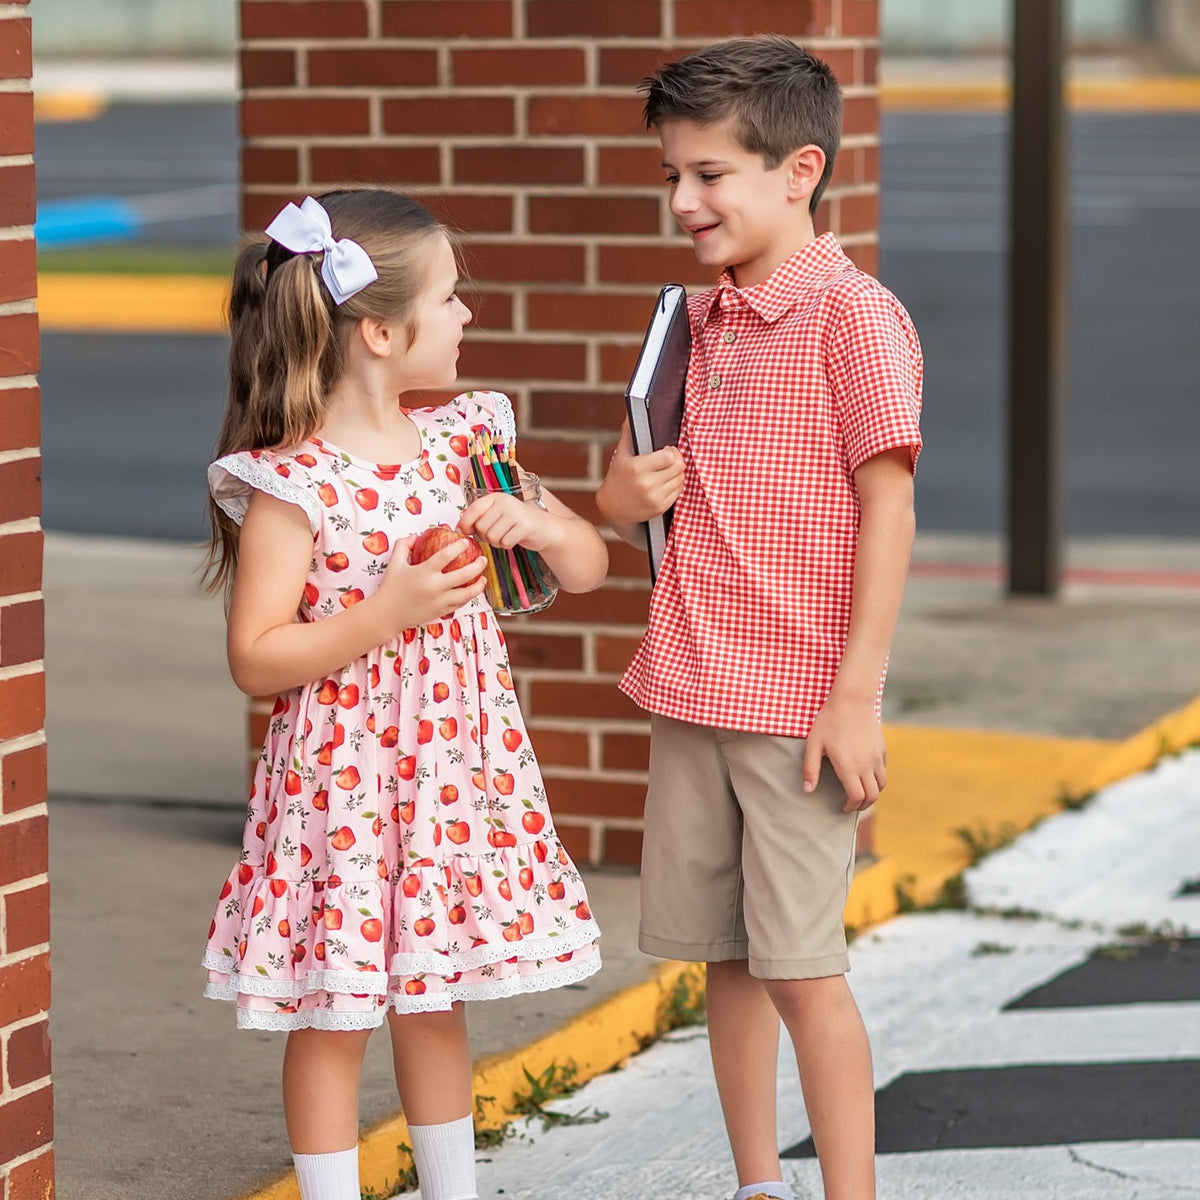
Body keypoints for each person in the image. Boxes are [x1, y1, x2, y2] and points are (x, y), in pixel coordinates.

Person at [201, 188, 607, 1200]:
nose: (470, 316)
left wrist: (541, 526)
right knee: (333, 1012)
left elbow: (592, 566)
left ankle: (450, 1190)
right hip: (343, 785)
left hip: (452, 776)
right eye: (454, 298)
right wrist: (387, 612)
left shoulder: (467, 439)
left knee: (437, 997)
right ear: (380, 331)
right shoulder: (294, 483)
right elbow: (256, 656)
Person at [596, 36, 923, 1200]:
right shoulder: (699, 318)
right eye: (672, 176)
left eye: (710, 175)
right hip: (689, 690)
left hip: (796, 712)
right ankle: (755, 1186)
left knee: (802, 972)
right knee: (722, 965)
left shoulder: (855, 317)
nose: (684, 200)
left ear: (800, 170)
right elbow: (636, 486)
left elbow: (889, 510)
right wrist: (612, 494)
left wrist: (855, 697)